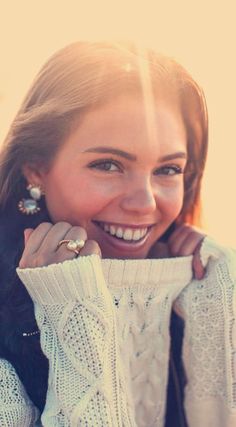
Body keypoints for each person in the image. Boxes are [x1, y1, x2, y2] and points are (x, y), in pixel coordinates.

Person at [0, 41, 235, 427]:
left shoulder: (197, 295)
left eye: (169, 169)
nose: (145, 203)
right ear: (35, 169)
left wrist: (215, 297)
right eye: (108, 164)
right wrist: (72, 312)